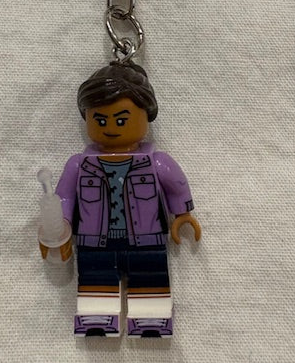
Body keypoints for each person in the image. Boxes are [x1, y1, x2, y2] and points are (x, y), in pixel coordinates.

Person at [40, 61, 201, 338]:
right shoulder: (79, 165)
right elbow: (64, 197)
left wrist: (182, 214)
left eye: (122, 120)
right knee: (96, 280)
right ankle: (97, 318)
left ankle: (151, 319)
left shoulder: (156, 163)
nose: (111, 127)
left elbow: (176, 185)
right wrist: (59, 224)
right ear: (87, 119)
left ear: (146, 116)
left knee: (150, 278)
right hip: (95, 240)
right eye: (100, 120)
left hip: (146, 238)